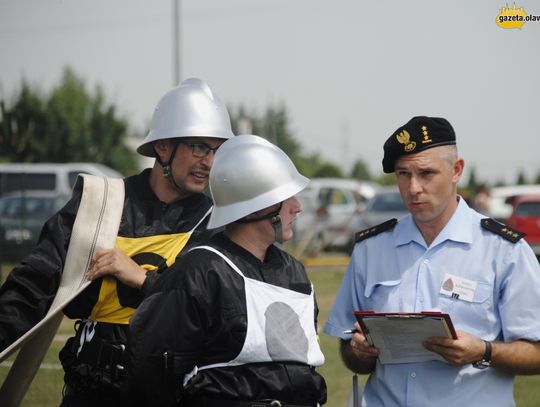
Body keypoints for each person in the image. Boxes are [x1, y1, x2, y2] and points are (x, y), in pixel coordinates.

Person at [0, 77, 234, 407]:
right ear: (163, 147)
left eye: (216, 150)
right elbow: (30, 289)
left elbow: (217, 314)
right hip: (91, 390)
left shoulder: (217, 224)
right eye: (198, 147)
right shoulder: (101, 203)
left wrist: (141, 278)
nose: (208, 162)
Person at [324, 116, 540, 406]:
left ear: (456, 170)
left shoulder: (502, 250)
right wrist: (359, 351)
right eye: (403, 174)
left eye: (426, 173)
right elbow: (349, 350)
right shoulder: (371, 248)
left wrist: (484, 351)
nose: (413, 187)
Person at [125, 134, 327, 407]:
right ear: (256, 204)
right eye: (286, 196)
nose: (297, 207)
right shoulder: (200, 272)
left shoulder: (294, 274)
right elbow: (151, 373)